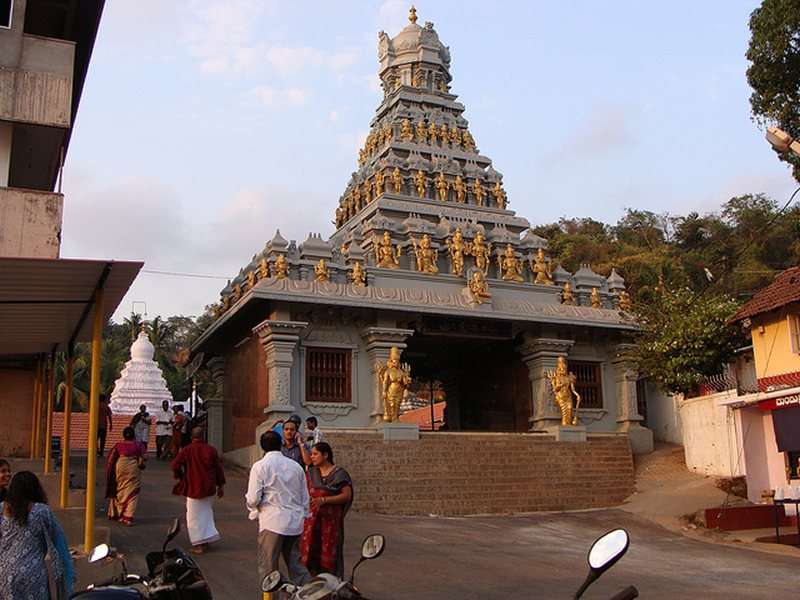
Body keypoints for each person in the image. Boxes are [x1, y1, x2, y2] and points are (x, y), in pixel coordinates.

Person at [246, 431, 311, 586]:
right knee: (296, 565)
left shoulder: (260, 466)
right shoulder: (296, 467)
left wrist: (254, 508)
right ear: (281, 444)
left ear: (262, 446)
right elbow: (305, 497)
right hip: (295, 522)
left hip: (272, 522)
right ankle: (308, 593)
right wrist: (302, 515)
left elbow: (253, 498)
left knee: (268, 568)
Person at [0, 471, 74, 599]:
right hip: (33, 573)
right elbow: (58, 541)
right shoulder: (41, 511)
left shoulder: (2, 509)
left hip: (5, 572)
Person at [300, 442, 353, 578]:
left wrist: (324, 500)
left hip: (330, 523)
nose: (312, 457)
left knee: (329, 554)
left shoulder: (339, 474)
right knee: (310, 553)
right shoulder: (311, 473)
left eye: (315, 454)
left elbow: (347, 495)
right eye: (311, 454)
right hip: (311, 522)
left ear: (325, 455)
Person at [171, 427, 226, 555]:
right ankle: (206, 539)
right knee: (206, 514)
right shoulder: (210, 450)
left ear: (192, 436)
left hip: (193, 486)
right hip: (209, 487)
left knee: (193, 517)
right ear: (203, 436)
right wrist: (221, 485)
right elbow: (218, 469)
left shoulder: (187, 450)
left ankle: (198, 543)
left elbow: (175, 465)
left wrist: (180, 476)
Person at [105, 426, 145, 526]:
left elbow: (110, 460)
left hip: (120, 468)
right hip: (133, 469)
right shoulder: (138, 445)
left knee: (120, 489)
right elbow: (143, 458)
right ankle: (127, 517)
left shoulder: (118, 445)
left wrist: (109, 474)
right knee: (133, 492)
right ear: (134, 435)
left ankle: (118, 512)